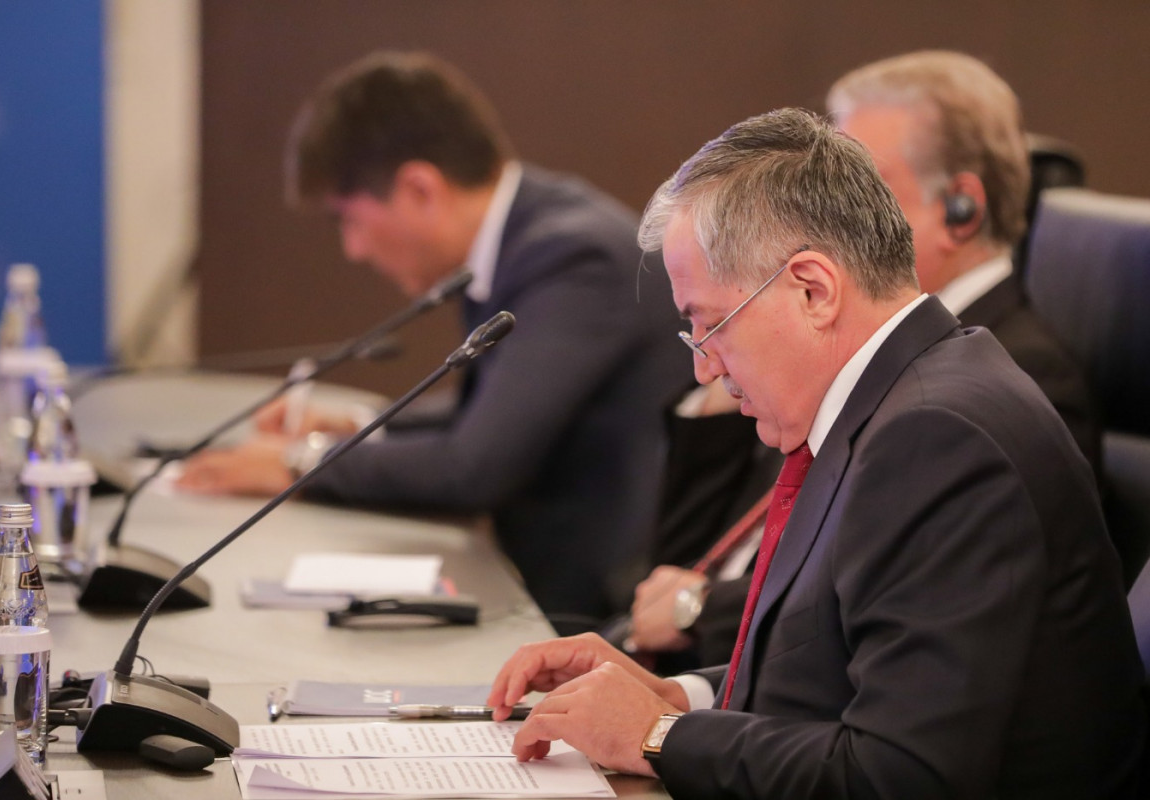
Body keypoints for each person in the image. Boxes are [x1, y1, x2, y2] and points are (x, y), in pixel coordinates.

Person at [487, 108, 1146, 797]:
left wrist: (657, 736)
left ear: (813, 290)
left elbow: (900, 773)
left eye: (710, 325)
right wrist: (675, 697)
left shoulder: (938, 437)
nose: (705, 368)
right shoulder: (893, 398)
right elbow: (836, 667)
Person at [622, 50, 1106, 666]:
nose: (833, 209)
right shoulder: (822, 351)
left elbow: (864, 627)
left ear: (961, 207)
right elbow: (689, 554)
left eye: (863, 184)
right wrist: (726, 336)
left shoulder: (992, 384)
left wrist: (696, 616)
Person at [177, 51, 691, 627]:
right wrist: (354, 426)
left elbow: (475, 465)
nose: (353, 249)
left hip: (594, 613)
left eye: (348, 219)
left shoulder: (574, 259)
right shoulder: (533, 231)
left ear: (419, 188)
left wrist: (299, 463)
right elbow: (488, 409)